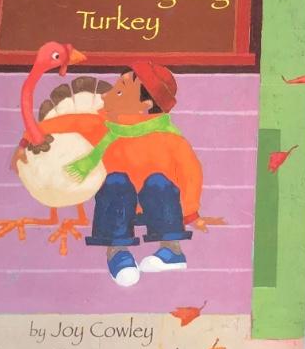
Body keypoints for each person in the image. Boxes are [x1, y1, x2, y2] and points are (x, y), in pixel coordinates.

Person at [56, 61, 225, 286]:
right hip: (120, 207)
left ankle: (171, 250)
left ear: (145, 105)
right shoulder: (103, 126)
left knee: (159, 182)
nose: (107, 95)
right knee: (115, 181)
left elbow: (190, 173)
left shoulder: (170, 138)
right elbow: (72, 123)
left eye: (119, 91)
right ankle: (118, 253)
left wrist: (190, 212)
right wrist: (34, 134)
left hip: (159, 208)